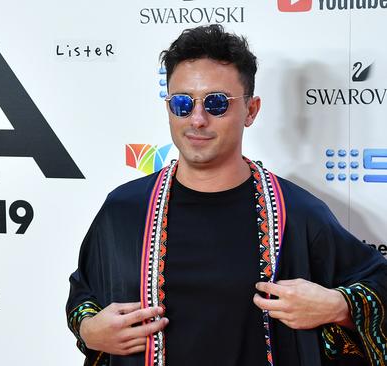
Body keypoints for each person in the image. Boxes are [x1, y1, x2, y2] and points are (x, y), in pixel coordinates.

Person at [66, 24, 387, 366]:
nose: (198, 119)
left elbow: (378, 281)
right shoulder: (126, 211)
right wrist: (88, 330)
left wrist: (337, 306)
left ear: (251, 110)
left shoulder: (296, 213)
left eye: (217, 103)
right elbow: (84, 293)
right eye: (182, 103)